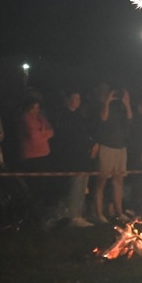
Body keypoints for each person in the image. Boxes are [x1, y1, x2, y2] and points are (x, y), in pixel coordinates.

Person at [52, 91, 95, 227]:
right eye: (75, 98)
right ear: (68, 99)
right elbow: (65, 138)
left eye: (79, 98)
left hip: (83, 157)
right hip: (72, 157)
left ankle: (79, 214)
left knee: (82, 186)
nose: (77, 101)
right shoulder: (64, 116)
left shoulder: (79, 116)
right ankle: (73, 216)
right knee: (75, 187)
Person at [93, 88, 132, 223]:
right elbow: (103, 119)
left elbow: (129, 120)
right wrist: (107, 102)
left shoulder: (121, 108)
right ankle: (99, 214)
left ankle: (119, 212)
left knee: (118, 181)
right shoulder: (101, 107)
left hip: (121, 149)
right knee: (101, 182)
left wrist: (127, 103)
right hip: (107, 148)